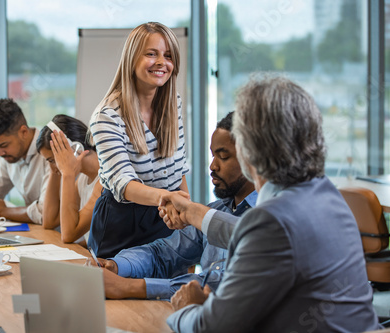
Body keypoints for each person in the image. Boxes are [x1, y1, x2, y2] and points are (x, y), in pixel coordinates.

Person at [160, 74, 380, 333]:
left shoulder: (270, 221)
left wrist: (187, 308)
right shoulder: (328, 195)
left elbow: (213, 328)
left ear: (247, 149)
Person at [90, 112, 257, 300]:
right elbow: (163, 253)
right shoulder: (217, 210)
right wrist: (117, 265)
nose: (212, 166)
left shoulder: (267, 220)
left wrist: (130, 287)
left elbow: (220, 285)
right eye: (212, 156)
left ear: (253, 159)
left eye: (223, 157)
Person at [87, 22, 190, 258]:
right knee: (121, 292)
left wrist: (187, 219)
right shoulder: (108, 115)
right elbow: (123, 183)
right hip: (123, 224)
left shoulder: (173, 102)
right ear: (132, 58)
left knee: (169, 293)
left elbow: (179, 169)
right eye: (151, 54)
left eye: (168, 55)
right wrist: (167, 198)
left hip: (166, 216)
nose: (161, 62)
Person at [36, 114, 102, 244]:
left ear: (75, 149)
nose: (53, 167)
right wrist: (54, 170)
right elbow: (49, 220)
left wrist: (67, 174)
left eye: (52, 160)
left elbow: (68, 235)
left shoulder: (104, 181)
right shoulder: (84, 179)